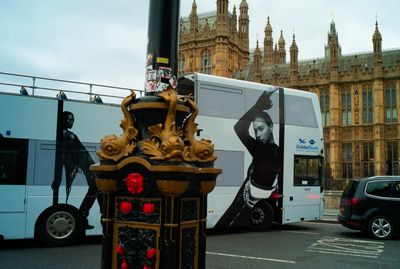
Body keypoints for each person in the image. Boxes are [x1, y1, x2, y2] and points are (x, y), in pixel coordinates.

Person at [215, 89, 281, 228]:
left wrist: (258, 107)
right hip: (244, 201)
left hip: (242, 207)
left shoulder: (263, 150)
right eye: (255, 130)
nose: (257, 134)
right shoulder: (276, 150)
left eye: (261, 128)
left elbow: (239, 128)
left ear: (271, 127)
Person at [51, 111, 103, 229]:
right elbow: (61, 156)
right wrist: (57, 179)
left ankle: (86, 216)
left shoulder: (68, 134)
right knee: (97, 187)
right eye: (69, 119)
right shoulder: (65, 134)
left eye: (72, 120)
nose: (71, 122)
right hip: (87, 165)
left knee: (97, 188)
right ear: (63, 120)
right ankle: (86, 216)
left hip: (88, 165)